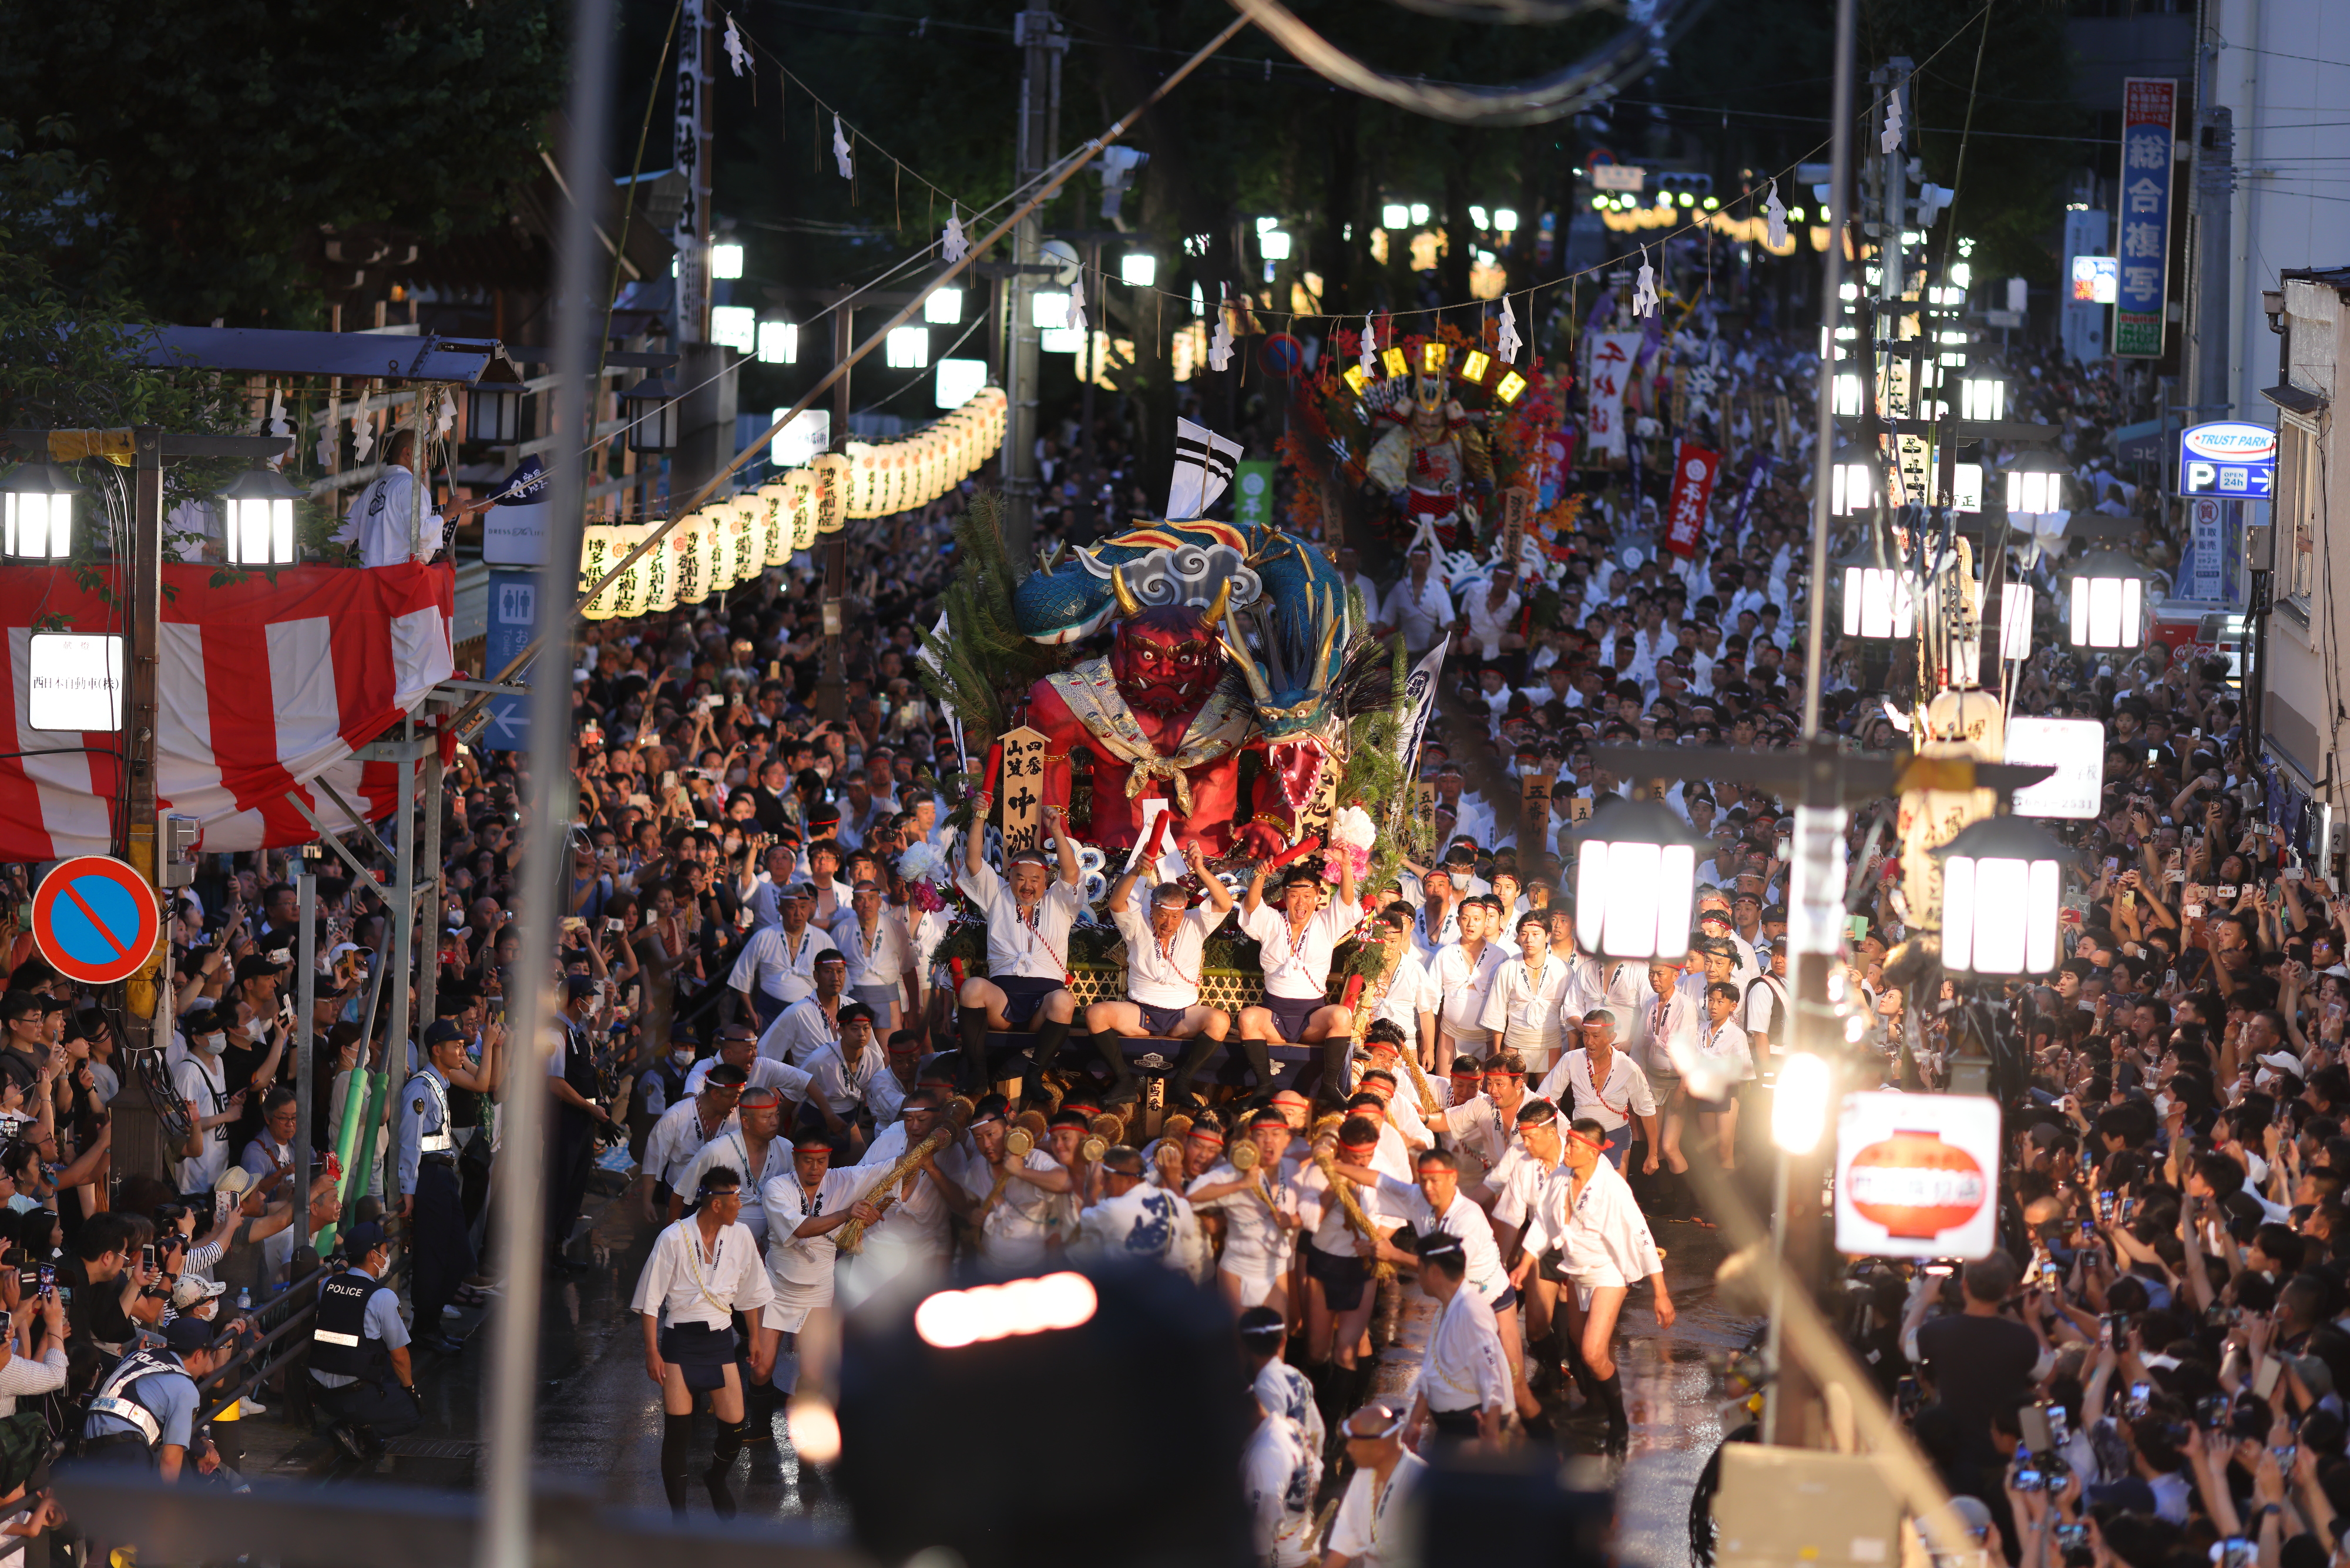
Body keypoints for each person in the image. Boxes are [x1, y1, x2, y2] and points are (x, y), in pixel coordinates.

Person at [1511, 1116, 1675, 1455]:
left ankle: (1618, 1421)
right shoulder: (1560, 1177)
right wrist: (1524, 1264)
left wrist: (1661, 1293)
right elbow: (1543, 1223)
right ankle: (1593, 1403)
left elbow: (1643, 1237)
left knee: (1592, 1351)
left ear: (1592, 1152)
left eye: (1572, 1145)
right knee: (1574, 1338)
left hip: (1609, 1272)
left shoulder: (1613, 1187)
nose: (1566, 1149)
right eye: (1567, 1143)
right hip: (1576, 1270)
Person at [632, 1165, 776, 1519]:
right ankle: (679, 1516)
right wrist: (653, 1351)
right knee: (678, 1431)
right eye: (736, 1199)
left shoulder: (740, 1236)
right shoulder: (672, 1238)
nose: (741, 1205)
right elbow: (650, 1301)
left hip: (720, 1338)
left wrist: (755, 1336)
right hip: (681, 1339)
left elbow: (752, 1292)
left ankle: (715, 1476)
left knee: (734, 1425)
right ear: (715, 1204)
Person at [954, 804, 1085, 1093]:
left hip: (1043, 1004)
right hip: (1003, 1000)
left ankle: (1035, 1076)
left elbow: (1072, 871)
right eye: (1020, 878)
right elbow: (973, 861)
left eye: (1035, 880)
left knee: (1063, 1001)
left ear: (1046, 881)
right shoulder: (998, 895)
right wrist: (979, 816)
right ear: (1010, 877)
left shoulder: (1060, 901)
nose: (1027, 886)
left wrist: (1056, 830)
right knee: (972, 987)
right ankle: (977, 1072)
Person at [1098, 843, 1238, 1106]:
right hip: (1140, 1012)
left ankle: (1182, 1083)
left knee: (1220, 1021)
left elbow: (1225, 903)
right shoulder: (1137, 921)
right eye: (1162, 916)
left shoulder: (1196, 922)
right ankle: (1124, 1082)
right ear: (1152, 909)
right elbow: (1117, 902)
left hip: (1182, 1015)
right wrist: (1136, 871)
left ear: (1184, 911)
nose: (1168, 924)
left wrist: (1200, 870)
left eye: (1175, 918)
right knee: (1097, 1016)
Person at [1237, 858, 1362, 1093]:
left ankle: (1329, 1086)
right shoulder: (1273, 922)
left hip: (1311, 1021)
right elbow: (1252, 907)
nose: (1300, 902)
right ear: (1285, 897)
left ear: (1317, 897)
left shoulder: (1326, 923)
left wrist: (1346, 866)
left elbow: (1346, 903)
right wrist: (1260, 875)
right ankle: (1264, 1086)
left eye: (1307, 896)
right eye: (1294, 895)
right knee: (1248, 1018)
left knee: (1342, 1015)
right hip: (1274, 1017)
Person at [307, 1221, 423, 1462]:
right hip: (354, 1398)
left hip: (323, 1395)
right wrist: (411, 1391)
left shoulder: (327, 1286)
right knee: (412, 1415)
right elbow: (400, 1356)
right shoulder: (382, 1297)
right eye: (384, 1250)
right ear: (373, 1254)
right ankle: (357, 1429)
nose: (386, 1256)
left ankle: (357, 1426)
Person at [395, 1019, 477, 1355]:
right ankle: (426, 1328)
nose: (462, 1051)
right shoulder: (421, 1087)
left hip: (443, 1176)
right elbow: (410, 1143)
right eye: (455, 1045)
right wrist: (408, 1191)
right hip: (428, 1178)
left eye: (463, 1045)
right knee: (432, 1256)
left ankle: (433, 1322)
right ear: (436, 1050)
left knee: (456, 1255)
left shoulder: (440, 1084)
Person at [80, 1314, 234, 1481]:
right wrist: (167, 1505)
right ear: (198, 1356)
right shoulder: (184, 1387)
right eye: (208, 1355)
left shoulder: (140, 1355)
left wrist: (203, 1442)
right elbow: (170, 1460)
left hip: (89, 1449)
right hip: (128, 1457)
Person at [1403, 1230, 1512, 1451]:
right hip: (1454, 1429)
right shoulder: (1447, 1307)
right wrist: (1415, 1421)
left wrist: (1490, 1436)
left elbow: (1493, 1376)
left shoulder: (1470, 1312)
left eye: (1420, 1268)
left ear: (1434, 1272)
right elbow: (1431, 1372)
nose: (1418, 1275)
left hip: (1475, 1429)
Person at [1188, 1108, 1304, 1312]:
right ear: (1252, 1139)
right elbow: (1192, 1195)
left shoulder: (1294, 1168)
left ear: (1287, 1139)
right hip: (1238, 1268)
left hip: (1275, 1267)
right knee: (1240, 1341)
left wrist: (1293, 1220)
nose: (1269, 1141)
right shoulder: (1235, 1171)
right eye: (1262, 1135)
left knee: (1278, 1340)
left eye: (1276, 1134)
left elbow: (1313, 1210)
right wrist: (1241, 1184)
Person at [331, 427, 494, 566]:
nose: (429, 458)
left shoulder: (372, 490)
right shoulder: (412, 485)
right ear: (408, 454)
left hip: (368, 583)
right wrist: (449, 513)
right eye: (424, 452)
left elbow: (340, 535)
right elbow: (419, 535)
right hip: (400, 582)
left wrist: (338, 577)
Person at [547, 973, 619, 1273]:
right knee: (559, 1186)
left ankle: (558, 1250)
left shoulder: (576, 1032)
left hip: (582, 1122)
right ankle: (546, 1254)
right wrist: (590, 1110)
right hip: (562, 1122)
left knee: (575, 1185)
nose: (592, 1002)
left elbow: (586, 1076)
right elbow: (554, 1083)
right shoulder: (555, 1032)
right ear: (577, 1000)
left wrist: (599, 1105)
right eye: (590, 997)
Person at [1535, 1009, 1660, 1172]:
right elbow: (1545, 1098)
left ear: (1611, 1038)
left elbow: (1647, 1110)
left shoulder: (1628, 1067)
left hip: (1616, 1137)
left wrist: (1653, 1155)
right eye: (1586, 1035)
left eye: (1596, 1036)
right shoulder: (1571, 1060)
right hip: (1580, 1136)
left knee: (1614, 1194)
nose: (1589, 1042)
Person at [1322, 1401, 1428, 1568]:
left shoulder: (1421, 1481)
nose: (1349, 1449)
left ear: (1379, 1448)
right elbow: (1345, 1539)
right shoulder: (1365, 1473)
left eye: (1354, 1443)